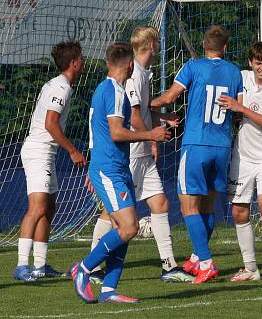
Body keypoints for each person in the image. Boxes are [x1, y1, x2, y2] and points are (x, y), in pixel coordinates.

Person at [87, 27, 191, 283]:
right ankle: (92, 266)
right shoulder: (130, 78)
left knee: (160, 204)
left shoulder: (142, 73)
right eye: (158, 41)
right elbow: (133, 117)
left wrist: (161, 117)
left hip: (140, 152)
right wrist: (152, 138)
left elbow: (142, 110)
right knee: (113, 214)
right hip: (131, 154)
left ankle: (168, 266)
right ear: (153, 45)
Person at [70, 42, 171, 304]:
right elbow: (116, 133)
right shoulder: (114, 91)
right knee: (129, 226)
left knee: (122, 227)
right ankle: (83, 269)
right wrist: (151, 134)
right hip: (110, 168)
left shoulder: (105, 90)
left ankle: (109, 289)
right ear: (129, 65)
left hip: (115, 167)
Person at [150, 25, 243, 282]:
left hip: (196, 144)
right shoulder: (235, 73)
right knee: (207, 205)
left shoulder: (193, 66)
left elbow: (169, 98)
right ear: (225, 48)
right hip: (222, 146)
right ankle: (195, 259)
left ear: (204, 45)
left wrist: (143, 104)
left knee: (187, 205)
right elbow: (239, 109)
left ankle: (206, 262)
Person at [218, 42, 262, 285]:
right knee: (239, 210)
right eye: (258, 62)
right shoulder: (241, 78)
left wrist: (241, 108)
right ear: (250, 62)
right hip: (243, 156)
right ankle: (250, 268)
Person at [14, 41, 86, 282]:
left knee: (49, 208)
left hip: (47, 152)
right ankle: (22, 265)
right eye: (81, 58)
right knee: (37, 208)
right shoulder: (61, 87)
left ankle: (40, 265)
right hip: (38, 151)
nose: (83, 61)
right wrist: (73, 151)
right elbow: (50, 124)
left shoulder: (61, 84)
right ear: (74, 63)